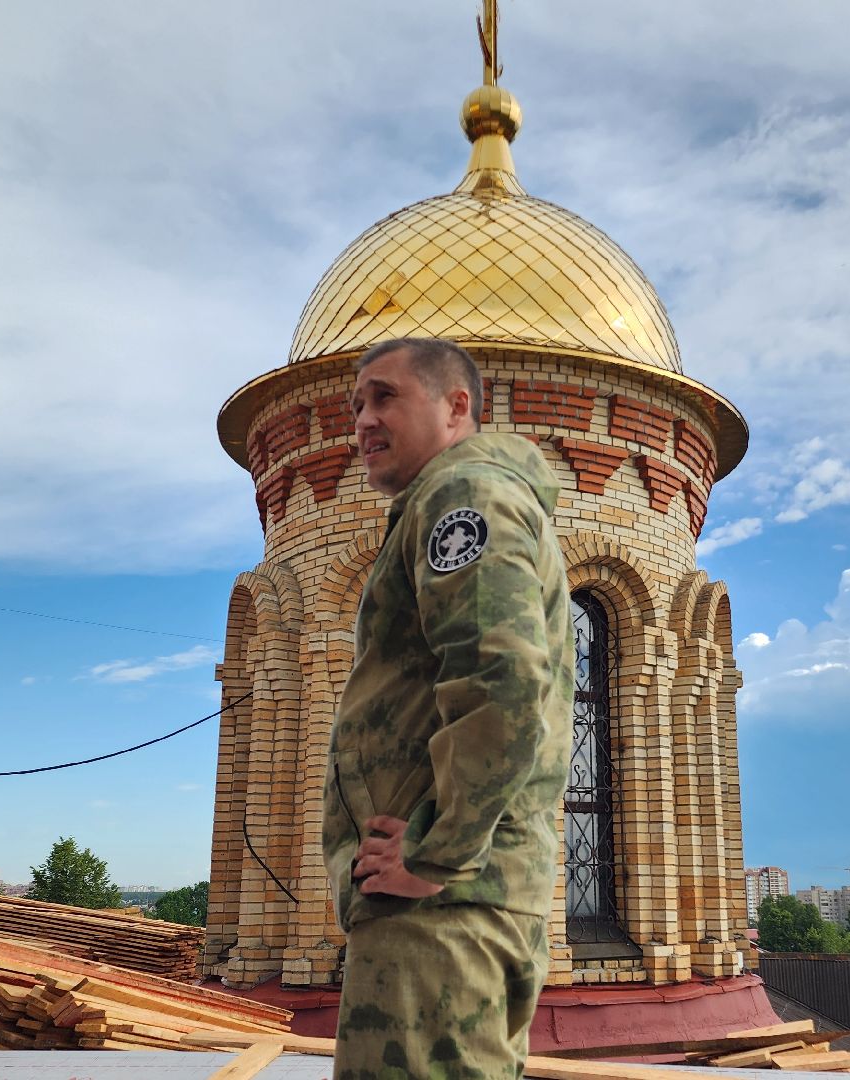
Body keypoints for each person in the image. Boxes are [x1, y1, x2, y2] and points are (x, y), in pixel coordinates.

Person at [323, 337, 572, 1079]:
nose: (363, 419)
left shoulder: (460, 496)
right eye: (357, 403)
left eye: (386, 396)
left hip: (441, 912)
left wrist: (438, 853)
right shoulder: (452, 499)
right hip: (458, 903)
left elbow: (500, 678)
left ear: (456, 405)